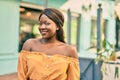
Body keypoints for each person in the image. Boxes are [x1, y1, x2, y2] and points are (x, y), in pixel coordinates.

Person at [18, 8, 80, 80]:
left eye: (47, 23)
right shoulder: (29, 45)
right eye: (40, 24)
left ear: (57, 26)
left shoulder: (70, 51)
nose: (42, 27)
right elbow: (21, 76)